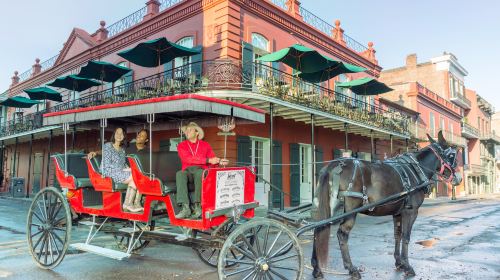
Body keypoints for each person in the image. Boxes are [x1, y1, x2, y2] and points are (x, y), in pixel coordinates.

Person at [175, 122, 227, 219]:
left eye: (190, 130)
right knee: (180, 174)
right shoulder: (181, 145)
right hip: (187, 171)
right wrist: (207, 160)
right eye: (186, 131)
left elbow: (212, 159)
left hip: (200, 171)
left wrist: (219, 161)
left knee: (200, 173)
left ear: (197, 132)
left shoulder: (205, 145)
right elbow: (187, 159)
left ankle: (198, 206)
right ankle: (185, 208)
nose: (187, 132)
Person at [88, 127, 143, 212]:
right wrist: (124, 170)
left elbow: (123, 163)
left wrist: (129, 168)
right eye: (117, 133)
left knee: (139, 175)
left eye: (121, 133)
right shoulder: (108, 146)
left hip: (118, 172)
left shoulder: (122, 150)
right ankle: (128, 204)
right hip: (107, 171)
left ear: (124, 136)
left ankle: (135, 203)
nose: (119, 135)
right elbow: (107, 164)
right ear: (114, 134)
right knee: (134, 176)